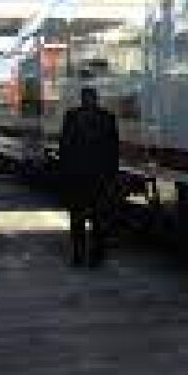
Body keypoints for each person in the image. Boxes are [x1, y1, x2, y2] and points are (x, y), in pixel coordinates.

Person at [59, 88, 119, 267]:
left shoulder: (71, 116)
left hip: (78, 177)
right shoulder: (107, 117)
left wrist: (65, 174)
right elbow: (113, 150)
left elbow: (65, 147)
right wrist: (112, 175)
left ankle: (79, 255)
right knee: (99, 218)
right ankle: (96, 255)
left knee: (78, 218)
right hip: (99, 177)